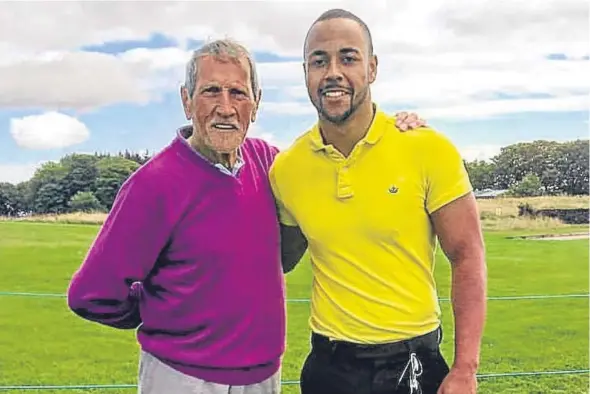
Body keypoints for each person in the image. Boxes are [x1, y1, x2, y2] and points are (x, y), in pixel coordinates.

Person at [66, 39, 425, 394]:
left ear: (256, 104)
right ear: (186, 100)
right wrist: (157, 315)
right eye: (210, 91)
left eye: (238, 93)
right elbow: (91, 294)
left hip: (263, 375)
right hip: (181, 377)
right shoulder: (153, 185)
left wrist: (395, 132)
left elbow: (337, 166)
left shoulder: (270, 163)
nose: (225, 107)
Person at [269, 9, 487, 394]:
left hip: (412, 364)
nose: (333, 71)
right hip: (329, 368)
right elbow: (280, 259)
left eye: (348, 58)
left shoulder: (427, 148)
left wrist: (466, 368)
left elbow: (467, 255)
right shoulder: (286, 169)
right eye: (319, 61)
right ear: (305, 73)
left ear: (372, 68)